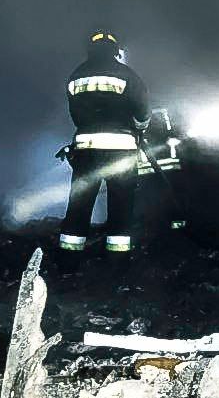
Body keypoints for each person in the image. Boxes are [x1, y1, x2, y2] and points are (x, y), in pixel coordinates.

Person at [57, 31, 150, 260]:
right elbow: (143, 110)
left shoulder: (76, 75)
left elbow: (74, 113)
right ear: (115, 49)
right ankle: (117, 262)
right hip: (122, 151)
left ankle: (68, 260)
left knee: (79, 203)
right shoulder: (127, 74)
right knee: (121, 204)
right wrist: (140, 128)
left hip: (85, 150)